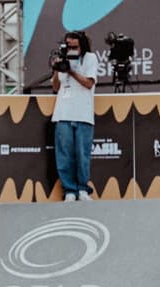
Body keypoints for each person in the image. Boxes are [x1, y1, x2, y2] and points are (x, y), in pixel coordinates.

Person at [50, 30, 98, 202]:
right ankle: (69, 190)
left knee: (82, 154)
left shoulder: (90, 58)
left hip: (83, 113)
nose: (71, 50)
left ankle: (83, 189)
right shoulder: (62, 57)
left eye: (75, 47)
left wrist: (71, 71)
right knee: (64, 155)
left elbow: (89, 83)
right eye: (69, 46)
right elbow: (55, 87)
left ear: (82, 46)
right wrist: (57, 69)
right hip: (63, 113)